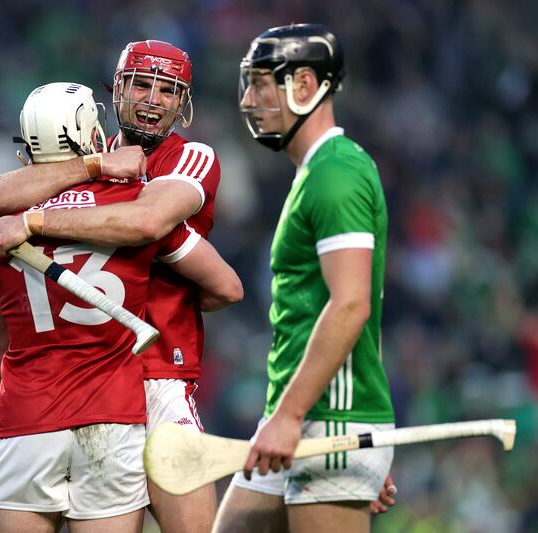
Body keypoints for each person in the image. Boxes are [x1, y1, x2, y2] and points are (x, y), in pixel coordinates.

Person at [0, 82, 242, 533]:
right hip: (115, 417)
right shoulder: (131, 206)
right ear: (95, 135)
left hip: (27, 419)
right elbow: (228, 287)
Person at [212, 24, 396, 533]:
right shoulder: (315, 172)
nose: (247, 100)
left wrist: (344, 427)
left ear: (306, 85)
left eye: (260, 85)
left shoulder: (336, 174)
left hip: (327, 419)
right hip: (307, 415)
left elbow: (352, 305)